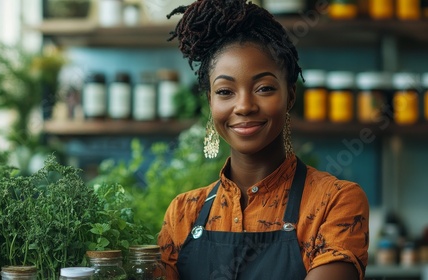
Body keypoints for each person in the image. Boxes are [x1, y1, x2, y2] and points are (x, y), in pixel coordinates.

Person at [157, 0, 370, 279]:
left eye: (264, 88)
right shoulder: (184, 212)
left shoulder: (334, 202)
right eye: (225, 91)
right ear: (210, 101)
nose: (244, 106)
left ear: (290, 96)